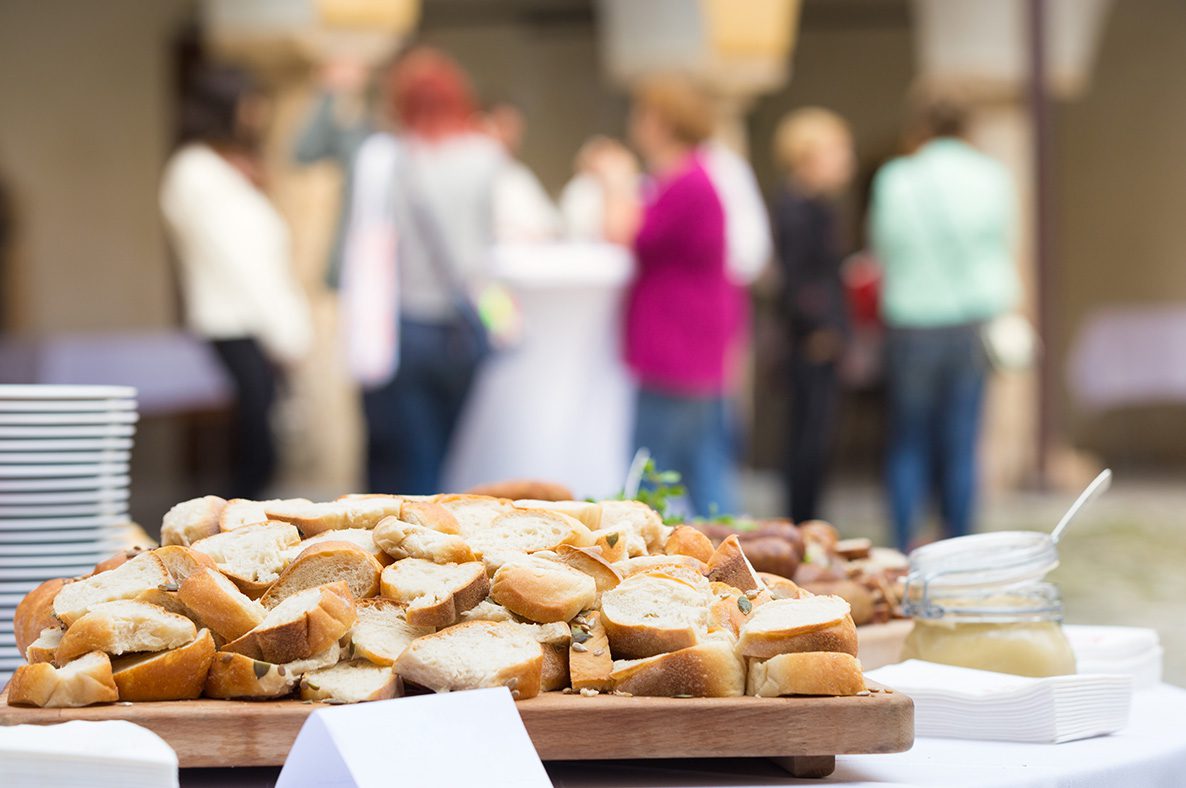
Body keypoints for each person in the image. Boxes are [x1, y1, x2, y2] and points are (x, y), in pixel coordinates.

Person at [341, 47, 504, 494]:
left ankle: (411, 549)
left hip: (409, 326)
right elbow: (486, 247)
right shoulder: (485, 156)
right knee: (448, 457)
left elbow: (366, 242)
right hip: (465, 327)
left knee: (414, 456)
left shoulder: (389, 159)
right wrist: (501, 318)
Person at [869, 90, 1019, 551]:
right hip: (967, 321)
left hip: (911, 321)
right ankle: (959, 547)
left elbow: (882, 246)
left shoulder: (896, 178)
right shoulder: (990, 176)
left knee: (908, 439)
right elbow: (1000, 244)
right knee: (961, 441)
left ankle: (901, 545)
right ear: (967, 128)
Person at [160, 66, 312, 499]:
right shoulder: (197, 171)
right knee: (256, 453)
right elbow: (238, 262)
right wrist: (286, 333)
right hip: (237, 322)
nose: (257, 118)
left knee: (262, 450)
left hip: (255, 323)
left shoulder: (223, 172)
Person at [596, 75, 743, 517]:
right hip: (687, 345)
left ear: (662, 122)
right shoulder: (687, 179)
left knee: (655, 471)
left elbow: (624, 233)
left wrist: (614, 180)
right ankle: (738, 557)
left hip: (678, 346)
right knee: (701, 466)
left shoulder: (687, 184)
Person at [771, 108, 857, 523]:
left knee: (818, 435)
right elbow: (796, 278)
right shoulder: (796, 208)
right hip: (811, 339)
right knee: (808, 436)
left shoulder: (814, 206)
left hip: (820, 334)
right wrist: (819, 326)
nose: (845, 160)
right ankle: (802, 522)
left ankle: (808, 519)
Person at [292, 58, 376, 288]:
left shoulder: (379, 121)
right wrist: (329, 95)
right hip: (356, 249)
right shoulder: (351, 120)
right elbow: (303, 152)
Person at [480, 100, 561, 242]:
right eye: (504, 126)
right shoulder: (466, 175)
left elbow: (550, 227)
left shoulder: (519, 176)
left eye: (516, 130)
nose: (511, 137)